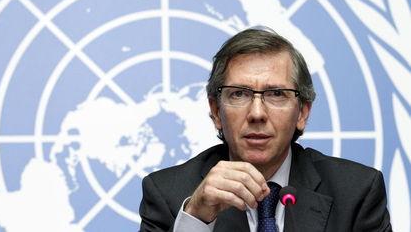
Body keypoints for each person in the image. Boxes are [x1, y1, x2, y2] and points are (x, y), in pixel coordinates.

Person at [139, 26, 392, 232]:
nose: (257, 114)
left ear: (302, 112)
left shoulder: (357, 192)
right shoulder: (168, 196)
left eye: (276, 94)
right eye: (239, 94)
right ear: (216, 111)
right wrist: (196, 220)